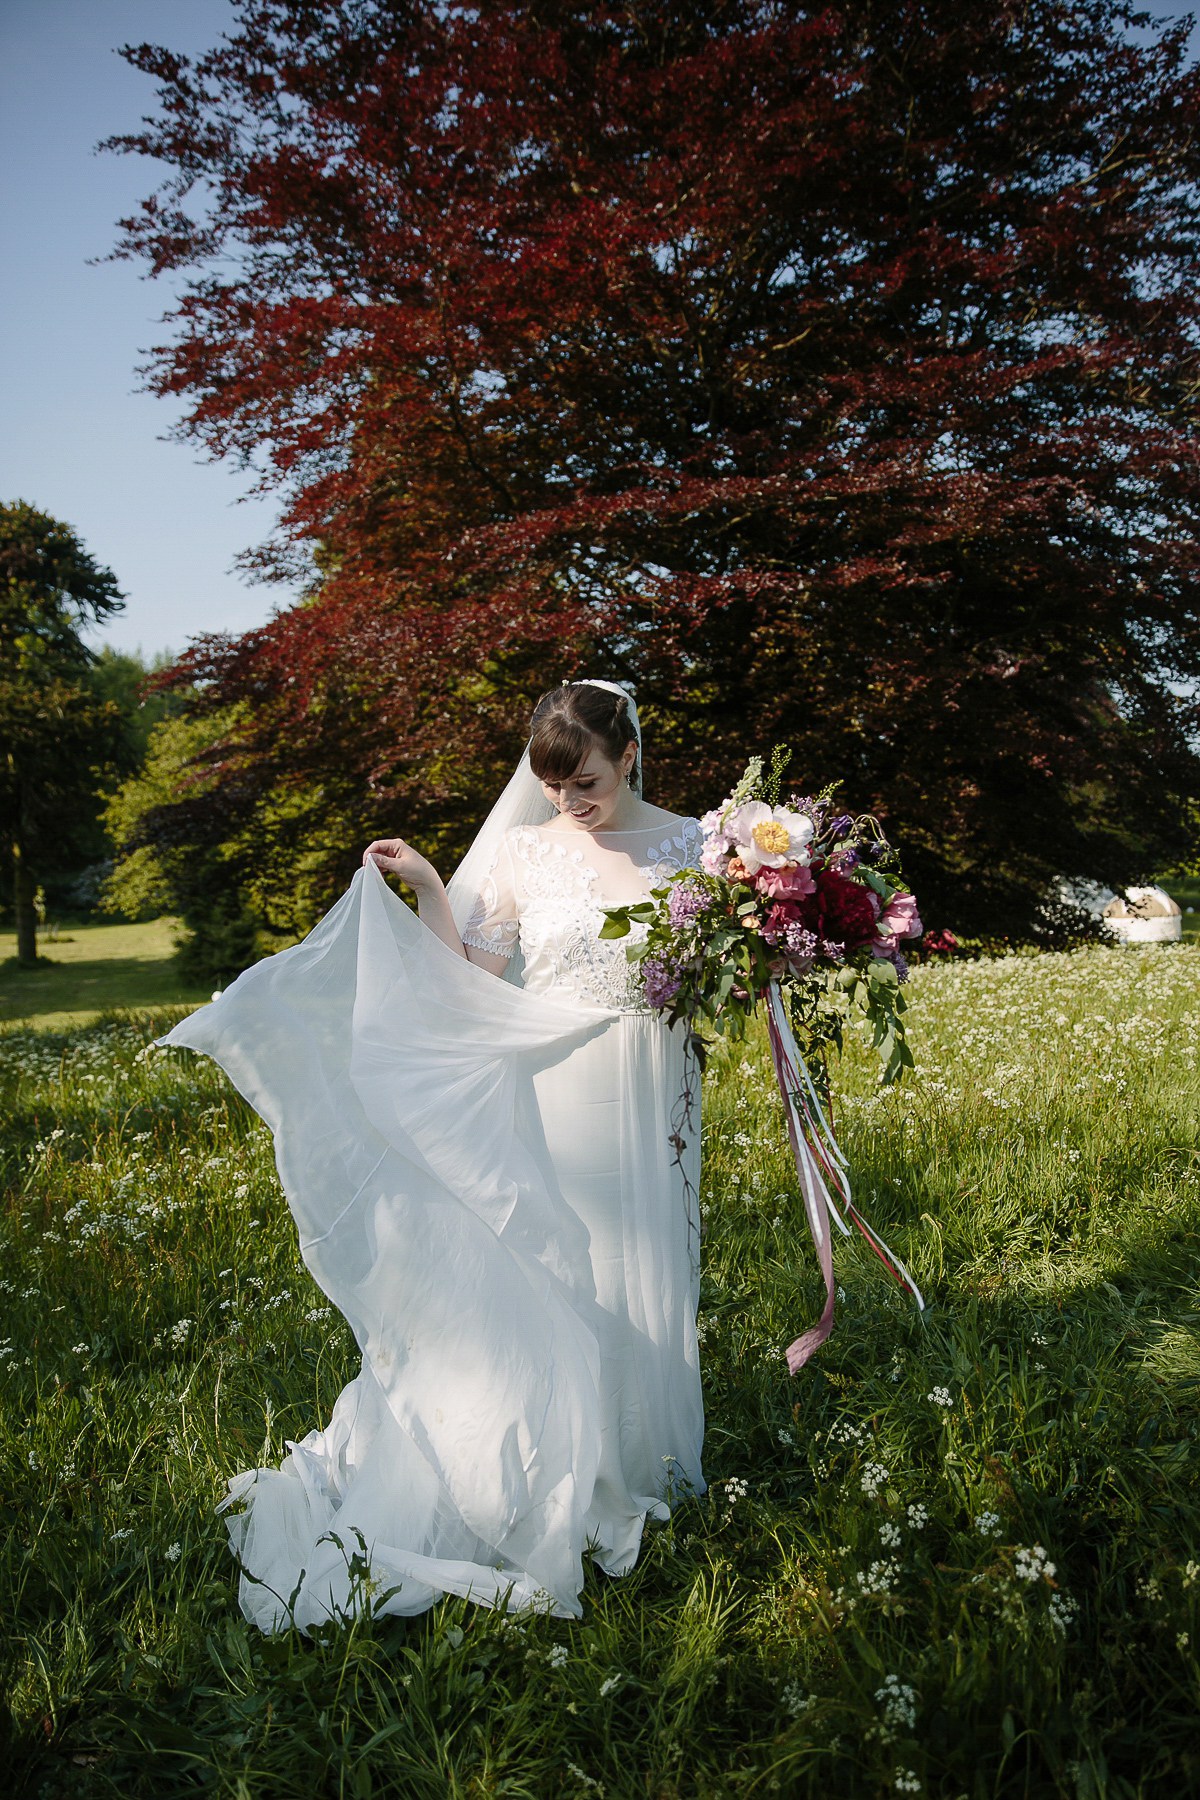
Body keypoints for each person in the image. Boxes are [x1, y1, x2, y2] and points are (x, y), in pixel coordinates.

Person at [160, 679, 706, 1630]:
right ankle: (558, 1470)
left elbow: (716, 966)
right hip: (562, 1085)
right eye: (550, 786)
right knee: (572, 1266)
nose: (567, 803)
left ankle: (640, 1455)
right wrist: (426, 883)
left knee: (654, 1262)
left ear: (629, 755)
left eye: (584, 783)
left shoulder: (697, 844)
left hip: (661, 1086)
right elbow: (459, 981)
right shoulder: (527, 855)